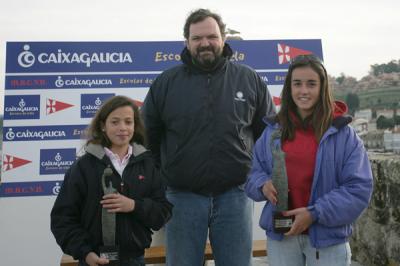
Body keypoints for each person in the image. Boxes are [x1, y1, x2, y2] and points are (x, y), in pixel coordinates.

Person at [141, 8, 275, 266]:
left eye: (211, 37)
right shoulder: (166, 83)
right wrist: (162, 181)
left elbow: (267, 137)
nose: (205, 43)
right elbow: (149, 139)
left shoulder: (249, 79)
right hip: (181, 199)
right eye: (197, 38)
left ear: (223, 38)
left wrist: (260, 178)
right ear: (186, 42)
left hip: (236, 196)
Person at [245, 54, 373, 266]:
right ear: (289, 88)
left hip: (328, 242)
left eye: (311, 84)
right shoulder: (272, 132)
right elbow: (251, 174)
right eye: (297, 84)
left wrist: (314, 213)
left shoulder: (344, 136)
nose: (303, 91)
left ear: (322, 88)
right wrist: (262, 184)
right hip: (282, 238)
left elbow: (358, 189)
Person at [51, 95, 172, 266]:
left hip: (134, 260)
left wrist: (134, 205)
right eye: (115, 122)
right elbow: (62, 218)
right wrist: (85, 253)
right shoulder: (83, 167)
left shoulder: (148, 164)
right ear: (102, 126)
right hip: (93, 260)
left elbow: (163, 212)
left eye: (128, 122)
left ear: (135, 126)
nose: (122, 128)